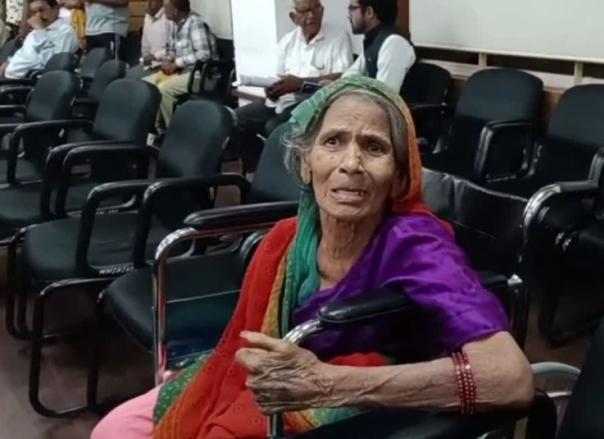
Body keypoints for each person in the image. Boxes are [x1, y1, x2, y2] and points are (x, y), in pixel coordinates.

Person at [90, 76, 535, 439]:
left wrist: (326, 383)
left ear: (401, 178)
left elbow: (511, 378)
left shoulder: (416, 244)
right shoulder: (287, 237)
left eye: (374, 148)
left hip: (359, 405)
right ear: (306, 163)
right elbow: (244, 350)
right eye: (333, 141)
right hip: (274, 378)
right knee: (114, 429)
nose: (351, 163)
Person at [233, 0, 352, 165]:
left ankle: (284, 174)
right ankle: (257, 166)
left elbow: (343, 77)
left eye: (315, 9)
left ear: (322, 10)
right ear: (293, 17)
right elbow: (277, 77)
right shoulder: (288, 41)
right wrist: (272, 90)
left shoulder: (338, 36)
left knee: (274, 128)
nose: (311, 16)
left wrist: (300, 83)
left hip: (314, 105)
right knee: (235, 118)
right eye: (304, 11)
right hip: (281, 102)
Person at [144, 0, 215, 131]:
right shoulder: (175, 24)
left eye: (166, 8)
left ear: (176, 11)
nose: (163, 10)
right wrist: (167, 60)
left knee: (164, 89)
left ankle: (172, 131)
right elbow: (171, 50)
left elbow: (204, 54)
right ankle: (153, 128)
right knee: (145, 85)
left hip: (201, 75)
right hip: (182, 72)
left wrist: (176, 63)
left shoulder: (195, 23)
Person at [340, 0, 414, 91]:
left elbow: (383, 93)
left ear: (369, 12)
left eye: (352, 9)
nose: (349, 16)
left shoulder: (394, 43)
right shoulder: (374, 39)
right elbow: (347, 78)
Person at [0, 0, 77, 79]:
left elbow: (54, 64)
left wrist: (40, 31)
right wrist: (9, 62)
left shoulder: (65, 32)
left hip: (28, 81)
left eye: (41, 10)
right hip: (7, 78)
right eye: (34, 12)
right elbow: (24, 52)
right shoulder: (34, 32)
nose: (38, 15)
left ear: (55, 9)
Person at [127, 0, 169, 79]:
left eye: (152, 1)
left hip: (165, 65)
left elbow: (176, 49)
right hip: (150, 65)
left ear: (161, 2)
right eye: (146, 1)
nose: (148, 3)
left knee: (130, 78)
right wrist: (144, 60)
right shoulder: (148, 16)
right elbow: (145, 46)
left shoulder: (169, 17)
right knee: (127, 75)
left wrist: (155, 56)